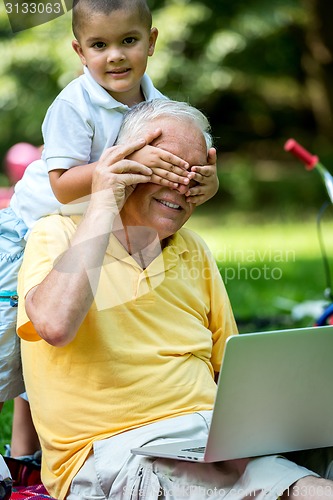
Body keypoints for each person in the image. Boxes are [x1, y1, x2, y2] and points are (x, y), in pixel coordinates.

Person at [17, 99, 333, 499]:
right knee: (301, 491)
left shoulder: (193, 248)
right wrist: (103, 200)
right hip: (119, 454)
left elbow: (232, 373)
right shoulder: (58, 234)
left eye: (194, 173)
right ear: (124, 164)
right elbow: (55, 325)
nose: (182, 186)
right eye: (165, 168)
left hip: (214, 443)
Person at [0, 0, 218, 463]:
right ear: (80, 51)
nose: (115, 56)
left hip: (88, 223)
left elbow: (182, 163)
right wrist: (115, 167)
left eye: (128, 41)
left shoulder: (156, 107)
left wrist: (207, 182)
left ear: (152, 42)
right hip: (26, 229)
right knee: (8, 344)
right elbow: (60, 187)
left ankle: (23, 455)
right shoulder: (73, 104)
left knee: (39, 356)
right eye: (100, 45)